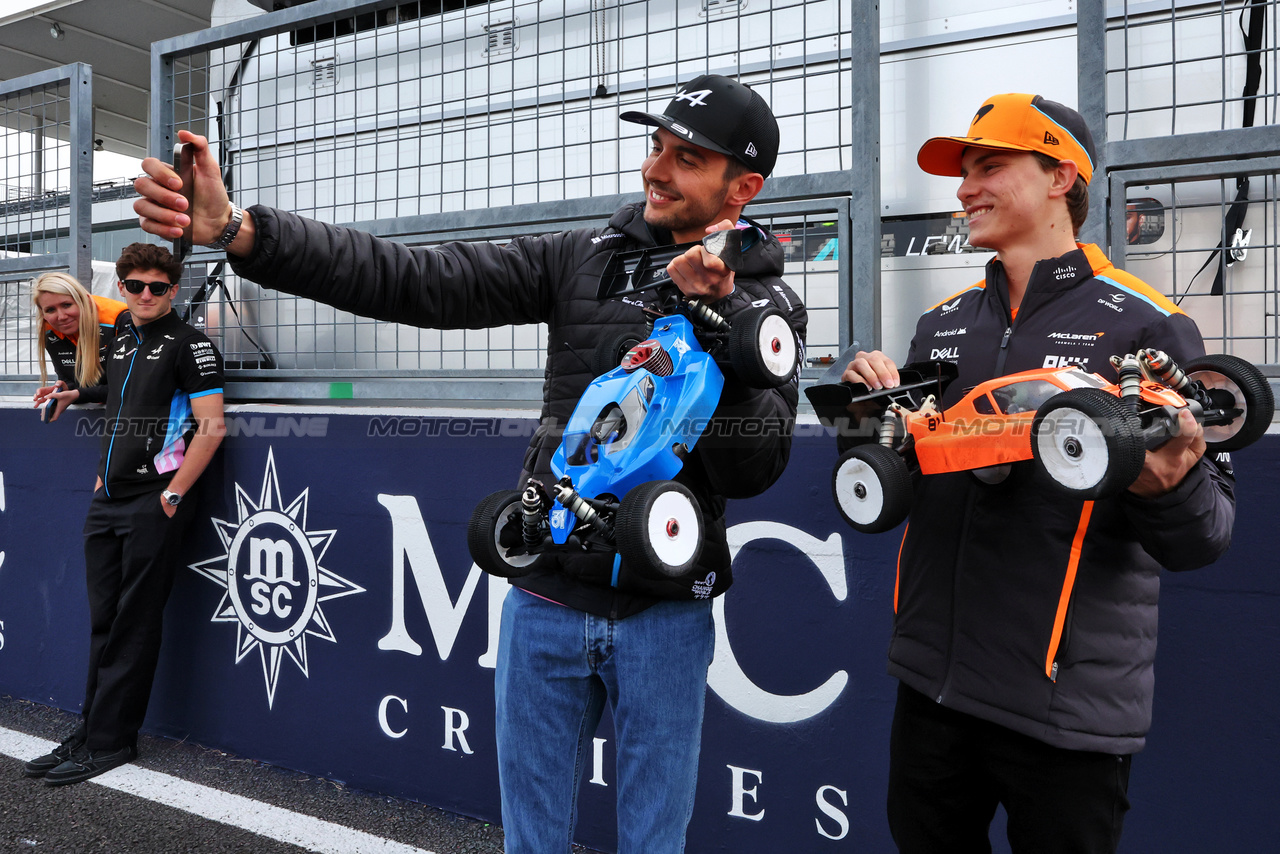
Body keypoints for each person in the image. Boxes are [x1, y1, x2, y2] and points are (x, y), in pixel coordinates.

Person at [133, 74, 805, 851]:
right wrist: (242, 232)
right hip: (544, 600)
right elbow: (415, 281)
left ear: (742, 188)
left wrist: (709, 323)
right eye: (655, 146)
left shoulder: (770, 307)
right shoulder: (581, 258)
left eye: (686, 158)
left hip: (667, 620)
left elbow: (756, 466)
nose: (655, 169)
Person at [841, 94, 1235, 852]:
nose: (964, 188)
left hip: (1065, 710)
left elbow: (1208, 530)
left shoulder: (1146, 324)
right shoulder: (943, 322)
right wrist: (870, 421)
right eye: (963, 172)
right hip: (933, 688)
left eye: (989, 165)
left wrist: (1171, 484)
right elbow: (900, 485)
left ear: (1060, 178)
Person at [23, 243, 226, 786]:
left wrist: (175, 494)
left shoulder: (192, 344)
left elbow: (212, 427)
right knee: (103, 622)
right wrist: (71, 393)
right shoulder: (120, 340)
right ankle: (90, 730)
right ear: (123, 289)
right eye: (133, 286)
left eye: (156, 287)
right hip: (107, 499)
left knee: (133, 625)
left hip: (156, 500)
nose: (143, 295)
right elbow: (115, 392)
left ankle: (113, 742)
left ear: (172, 290)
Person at [30, 272, 126, 422]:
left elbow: (128, 386)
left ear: (85, 301)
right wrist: (64, 389)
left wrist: (77, 394)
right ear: (43, 314)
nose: (61, 316)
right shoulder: (49, 331)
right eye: (50, 310)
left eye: (67, 305)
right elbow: (71, 380)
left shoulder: (121, 320)